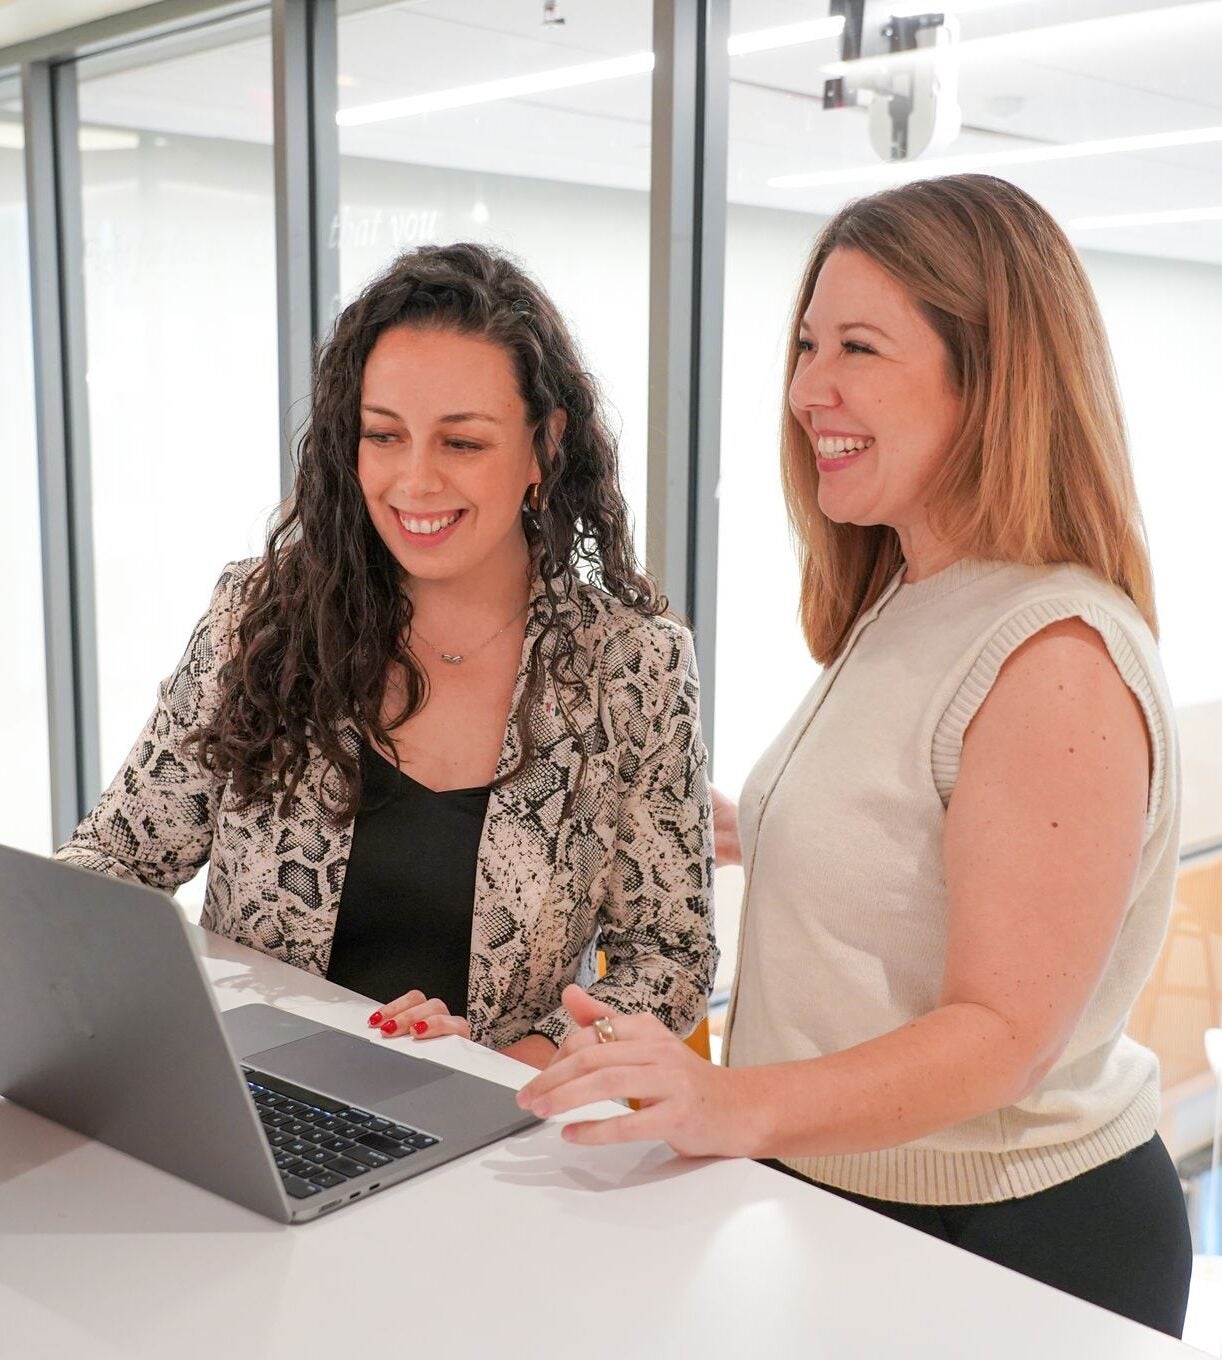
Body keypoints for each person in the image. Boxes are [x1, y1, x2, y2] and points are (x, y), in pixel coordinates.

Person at [517, 174, 1192, 1335]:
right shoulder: (912, 594)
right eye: (805, 342)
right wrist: (706, 818)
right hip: (858, 1198)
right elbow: (907, 837)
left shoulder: (1054, 653)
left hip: (1011, 1240)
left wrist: (730, 1103)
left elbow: (1001, 1035)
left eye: (858, 348)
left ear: (990, 377)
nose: (805, 389)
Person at [57, 242, 716, 1070]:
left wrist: (509, 1062)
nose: (414, 481)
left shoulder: (633, 666)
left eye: (462, 444)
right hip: (256, 1101)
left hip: (491, 1138)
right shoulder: (262, 617)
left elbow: (667, 956)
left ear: (545, 446)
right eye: (384, 435)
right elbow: (119, 855)